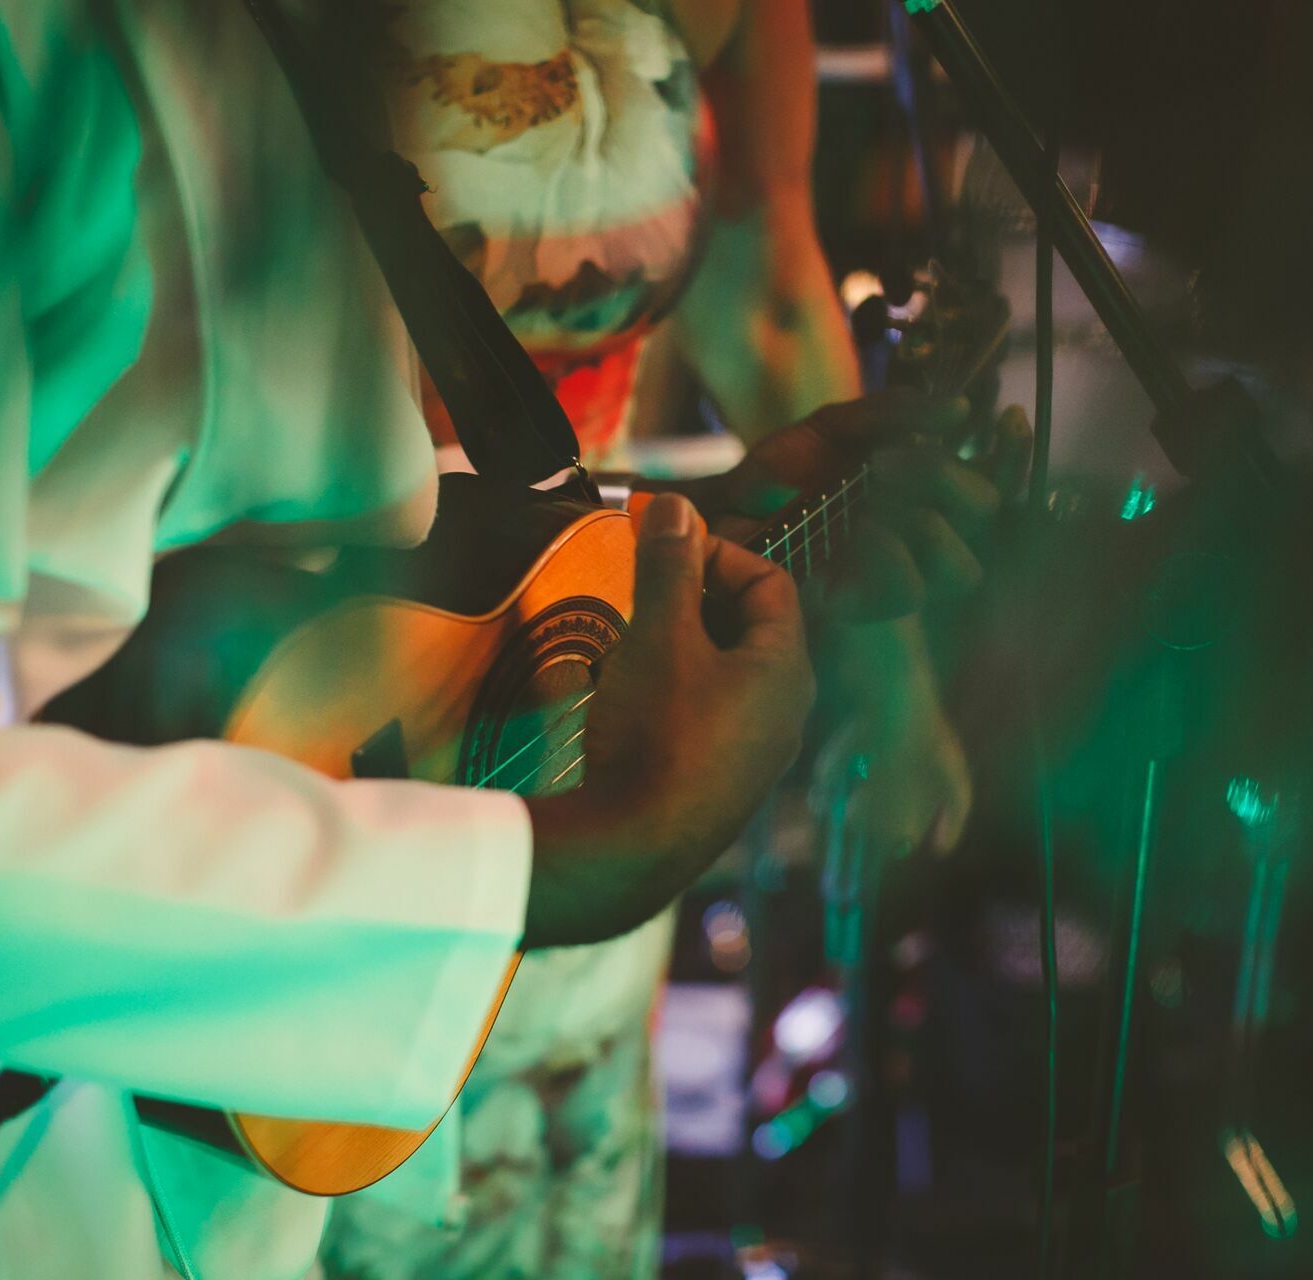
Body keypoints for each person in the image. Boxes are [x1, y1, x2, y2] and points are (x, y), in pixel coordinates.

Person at [0, 3, 998, 1277]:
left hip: (279, 1125)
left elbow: (306, 528)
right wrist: (532, 874)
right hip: (45, 1161)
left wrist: (647, 553)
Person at [314, 4, 983, 1275]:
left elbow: (771, 284)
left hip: (580, 658)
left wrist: (892, 678)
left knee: (548, 1185)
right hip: (307, 684)